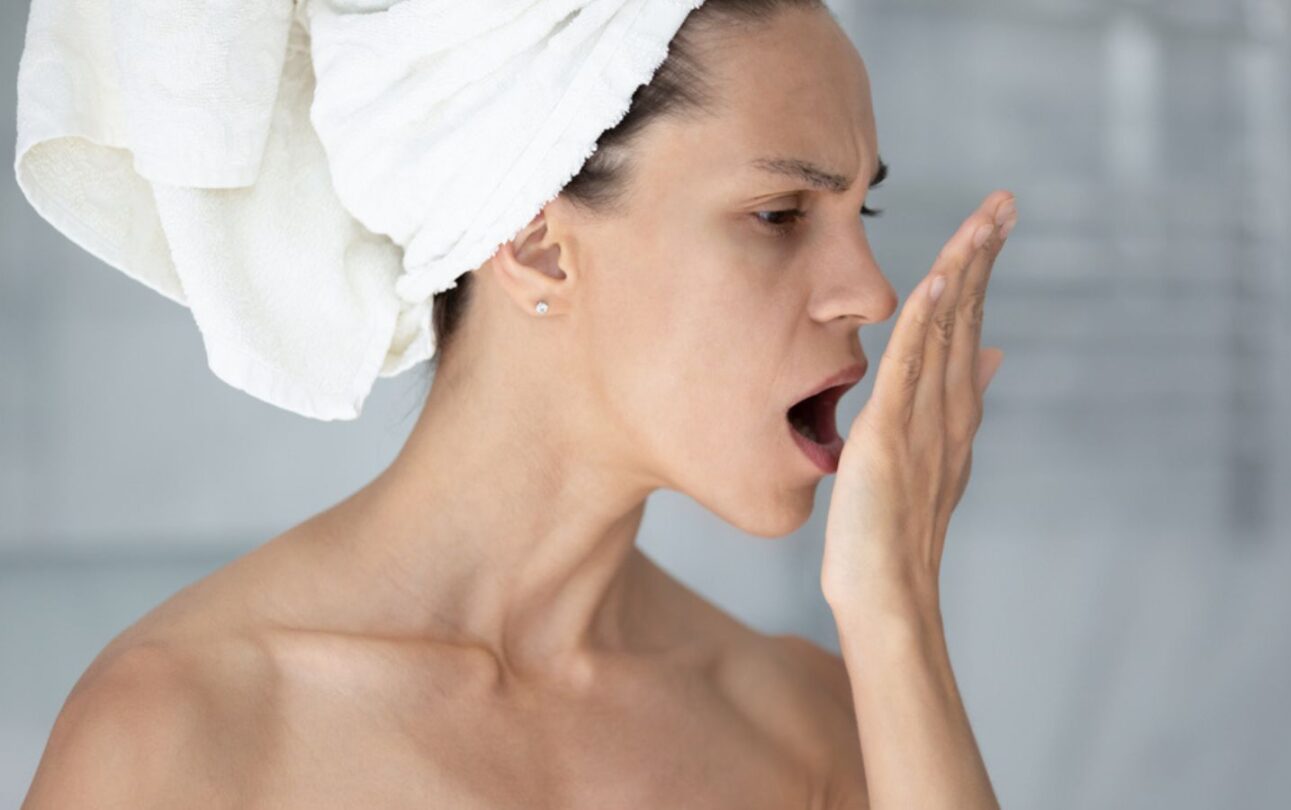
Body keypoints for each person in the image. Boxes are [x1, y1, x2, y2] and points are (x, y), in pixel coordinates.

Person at [21, 0, 1014, 806]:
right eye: (779, 215)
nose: (871, 292)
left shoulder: (806, 726)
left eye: (859, 208)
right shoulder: (184, 734)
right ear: (539, 247)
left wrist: (896, 611)